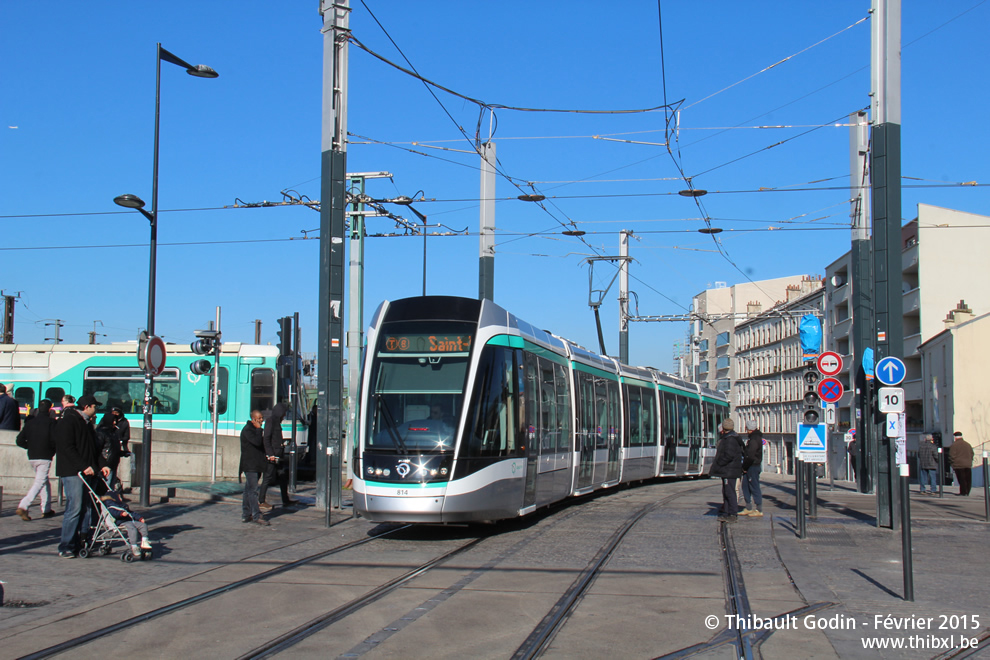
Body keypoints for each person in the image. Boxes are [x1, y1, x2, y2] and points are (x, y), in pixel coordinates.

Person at [54, 394, 110, 558]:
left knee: (84, 508)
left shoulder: (86, 424)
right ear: (87, 407)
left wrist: (102, 464)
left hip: (86, 471)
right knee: (75, 508)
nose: (96, 409)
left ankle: (80, 542)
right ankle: (66, 545)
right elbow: (66, 447)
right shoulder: (69, 421)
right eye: (95, 406)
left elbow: (93, 448)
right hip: (73, 472)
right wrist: (84, 466)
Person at [15, 399, 57, 521]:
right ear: (50, 409)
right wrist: (52, 450)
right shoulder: (51, 422)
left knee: (44, 481)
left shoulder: (30, 423)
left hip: (32, 456)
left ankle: (46, 508)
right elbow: (55, 440)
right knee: (39, 482)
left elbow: (19, 440)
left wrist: (30, 446)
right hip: (45, 456)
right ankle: (24, 505)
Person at [260, 402, 295, 510]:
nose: (284, 415)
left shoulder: (277, 422)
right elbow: (266, 438)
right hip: (273, 456)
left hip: (278, 455)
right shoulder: (270, 421)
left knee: (282, 477)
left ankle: (286, 500)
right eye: (284, 413)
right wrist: (270, 454)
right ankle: (261, 500)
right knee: (267, 477)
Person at [100, 489, 153, 557]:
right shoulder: (111, 506)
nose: (121, 498)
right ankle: (134, 546)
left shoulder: (122, 506)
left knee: (143, 525)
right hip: (120, 521)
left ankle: (145, 540)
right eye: (119, 496)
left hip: (129, 520)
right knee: (132, 528)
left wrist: (139, 518)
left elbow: (131, 513)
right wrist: (121, 513)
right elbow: (113, 513)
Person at [710, 418, 744, 523]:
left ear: (724, 428)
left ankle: (732, 513)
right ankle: (727, 512)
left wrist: (720, 463)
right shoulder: (733, 437)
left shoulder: (730, 439)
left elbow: (728, 455)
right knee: (727, 491)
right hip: (730, 470)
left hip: (729, 470)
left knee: (730, 492)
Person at [240, 410, 270, 525]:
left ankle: (246, 514)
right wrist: (258, 429)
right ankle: (256, 515)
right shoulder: (248, 430)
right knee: (252, 491)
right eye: (260, 418)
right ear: (254, 419)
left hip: (256, 464)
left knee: (248, 490)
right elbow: (257, 442)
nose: (262, 420)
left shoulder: (254, 430)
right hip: (250, 465)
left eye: (262, 418)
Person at [739, 420, 764, 517]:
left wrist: (745, 467)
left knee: (754, 486)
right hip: (751, 466)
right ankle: (748, 507)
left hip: (752, 466)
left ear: (749, 429)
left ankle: (759, 509)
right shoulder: (754, 438)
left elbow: (751, 455)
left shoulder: (754, 439)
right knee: (745, 486)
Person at [948, 431, 974, 496]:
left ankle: (963, 492)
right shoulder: (967, 444)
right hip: (968, 464)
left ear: (955, 438)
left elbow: (951, 455)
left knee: (961, 479)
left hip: (958, 465)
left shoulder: (954, 445)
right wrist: (970, 460)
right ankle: (967, 491)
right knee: (968, 479)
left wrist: (952, 463)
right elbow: (972, 453)